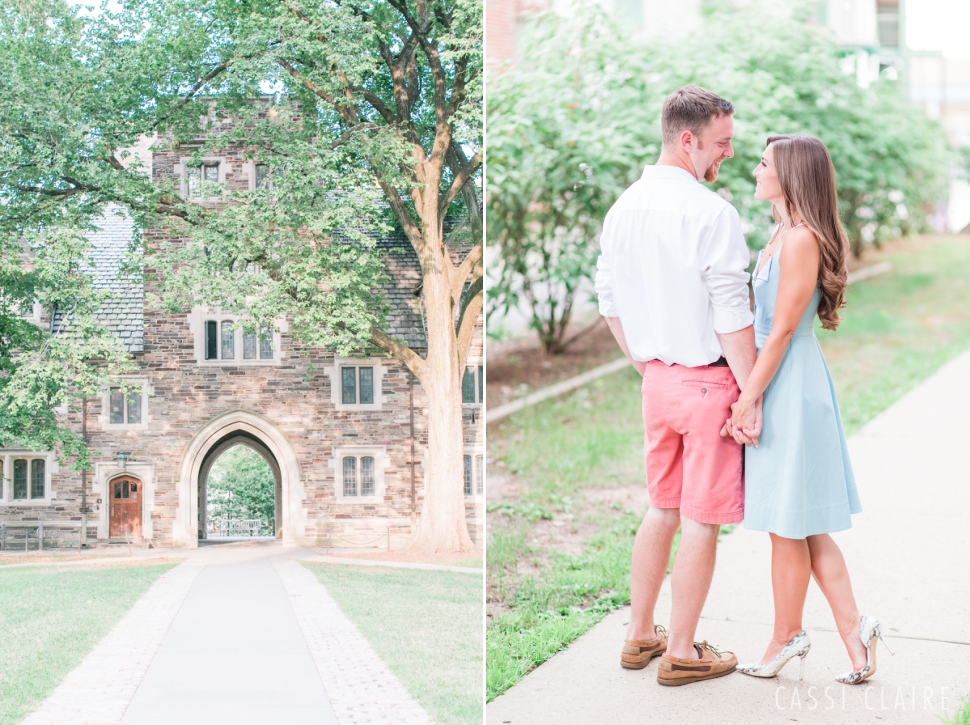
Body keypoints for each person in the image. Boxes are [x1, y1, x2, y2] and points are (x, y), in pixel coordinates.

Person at [594, 85, 760, 687]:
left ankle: (640, 636)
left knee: (661, 509)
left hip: (657, 383)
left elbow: (607, 299)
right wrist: (751, 392)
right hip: (708, 383)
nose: (729, 155)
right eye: (722, 143)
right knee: (700, 520)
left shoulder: (624, 207)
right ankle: (683, 650)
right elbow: (730, 312)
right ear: (687, 141)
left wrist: (645, 365)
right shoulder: (711, 213)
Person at [728, 134, 890, 684]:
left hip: (790, 386)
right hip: (783, 379)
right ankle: (856, 631)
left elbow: (780, 334)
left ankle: (785, 637)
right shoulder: (780, 233)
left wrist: (748, 399)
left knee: (785, 524)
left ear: (790, 175)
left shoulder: (800, 240)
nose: (753, 169)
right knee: (807, 526)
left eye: (764, 163)